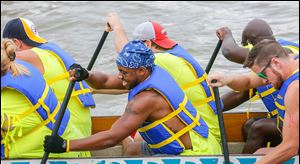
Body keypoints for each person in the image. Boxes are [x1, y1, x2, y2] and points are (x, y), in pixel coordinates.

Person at [43, 40, 222, 156]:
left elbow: (111, 137)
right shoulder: (151, 72)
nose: (119, 76)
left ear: (141, 71)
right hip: (199, 142)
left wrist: (64, 145)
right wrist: (86, 74)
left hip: (196, 155)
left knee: (125, 141)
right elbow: (104, 81)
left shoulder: (145, 100)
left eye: (123, 72)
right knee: (133, 149)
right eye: (119, 71)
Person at [105, 12, 221, 153]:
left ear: (147, 44)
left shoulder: (161, 59)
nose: (134, 52)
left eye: (137, 46)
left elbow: (124, 52)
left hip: (202, 133)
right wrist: (90, 89)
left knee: (133, 141)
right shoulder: (177, 52)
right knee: (136, 132)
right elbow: (125, 84)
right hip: (205, 126)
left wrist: (117, 26)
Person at [208, 39, 299, 164]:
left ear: (275, 62)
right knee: (260, 153)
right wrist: (226, 79)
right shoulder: (290, 62)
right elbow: (248, 82)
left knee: (258, 159)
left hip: (293, 147)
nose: (263, 82)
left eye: (263, 75)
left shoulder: (295, 88)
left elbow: (291, 147)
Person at [2, 17, 95, 157]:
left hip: (62, 141)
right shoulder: (52, 53)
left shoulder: (23, 59)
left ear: (15, 44)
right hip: (79, 133)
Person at [216, 19, 299, 153]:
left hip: (294, 129)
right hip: (285, 122)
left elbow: (230, 51)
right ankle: (251, 163)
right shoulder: (270, 70)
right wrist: (211, 107)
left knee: (259, 128)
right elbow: (244, 89)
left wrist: (227, 34)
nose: (265, 80)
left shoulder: (281, 53)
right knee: (248, 125)